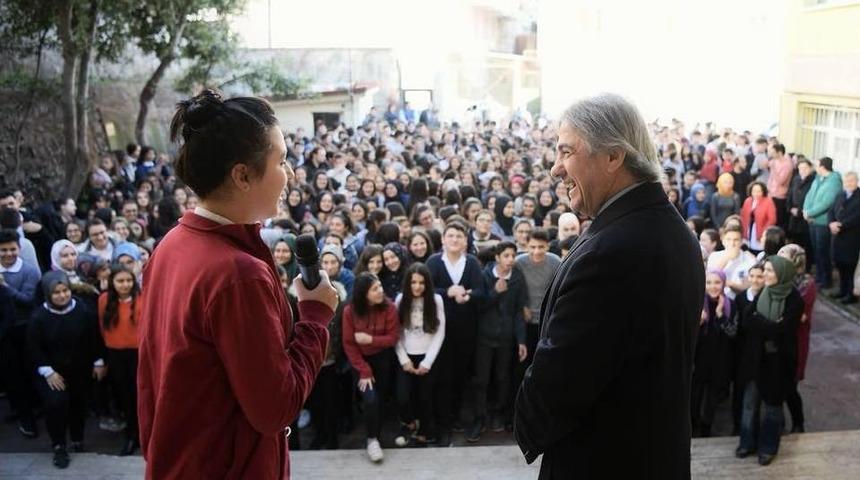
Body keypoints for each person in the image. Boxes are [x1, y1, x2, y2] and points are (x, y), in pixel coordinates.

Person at [137, 89, 338, 479]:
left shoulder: (171, 246)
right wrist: (314, 316)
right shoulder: (236, 275)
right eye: (281, 161)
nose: (291, 173)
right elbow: (275, 408)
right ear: (243, 175)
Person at [515, 94, 704, 479]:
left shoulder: (612, 252)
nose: (555, 170)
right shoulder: (669, 228)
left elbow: (557, 387)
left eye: (566, 152)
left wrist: (526, 421)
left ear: (614, 156)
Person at [28, 271, 106, 469]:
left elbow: (94, 337)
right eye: (56, 293)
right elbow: (34, 348)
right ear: (47, 294)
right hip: (53, 373)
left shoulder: (82, 310)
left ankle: (77, 439)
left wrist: (98, 361)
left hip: (79, 368)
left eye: (65, 291)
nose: (62, 296)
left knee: (79, 404)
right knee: (57, 404)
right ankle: (59, 445)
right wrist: (48, 371)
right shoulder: (38, 318)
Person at [736, 256, 803, 466]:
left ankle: (768, 447)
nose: (765, 275)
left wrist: (761, 323)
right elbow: (747, 320)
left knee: (772, 407)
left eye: (769, 271)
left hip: (778, 363)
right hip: (756, 359)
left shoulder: (794, 300)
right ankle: (747, 442)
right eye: (764, 270)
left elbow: (782, 331)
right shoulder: (763, 292)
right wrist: (769, 325)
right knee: (750, 403)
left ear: (782, 273)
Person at [426, 221, 486, 445]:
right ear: (443, 239)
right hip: (438, 331)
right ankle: (444, 422)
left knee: (461, 375)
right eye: (450, 236)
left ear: (465, 241)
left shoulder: (471, 262)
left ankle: (458, 417)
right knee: (443, 377)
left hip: (465, 331)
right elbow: (425, 290)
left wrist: (467, 295)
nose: (454, 240)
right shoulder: (433, 262)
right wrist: (447, 291)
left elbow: (482, 291)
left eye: (459, 237)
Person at [468, 241, 528, 441]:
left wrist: (521, 341)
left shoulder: (518, 278)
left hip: (506, 338)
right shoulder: (484, 275)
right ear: (497, 257)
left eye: (513, 255)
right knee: (481, 380)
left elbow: (519, 312)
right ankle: (479, 418)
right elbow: (478, 306)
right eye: (506, 256)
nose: (511, 260)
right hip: (484, 337)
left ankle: (498, 414)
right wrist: (495, 293)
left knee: (503, 378)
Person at [341, 273, 400, 463]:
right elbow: (349, 344)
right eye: (375, 289)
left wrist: (370, 339)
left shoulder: (389, 307)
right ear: (363, 294)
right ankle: (372, 440)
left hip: (383, 359)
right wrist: (363, 370)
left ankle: (377, 433)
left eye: (380, 286)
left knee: (380, 399)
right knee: (371, 398)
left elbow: (392, 338)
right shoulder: (350, 311)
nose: (381, 291)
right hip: (360, 360)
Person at [394, 264, 446, 447]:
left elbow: (440, 333)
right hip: (407, 357)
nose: (417, 286)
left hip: (428, 357)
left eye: (421, 282)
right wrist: (404, 359)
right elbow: (396, 333)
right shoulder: (400, 299)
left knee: (426, 398)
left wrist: (428, 362)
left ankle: (425, 431)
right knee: (403, 397)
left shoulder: (436, 300)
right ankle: (409, 424)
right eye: (413, 282)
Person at [0, 228, 42, 438]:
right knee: (11, 376)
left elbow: (27, 300)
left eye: (12, 249)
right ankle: (21, 410)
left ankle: (32, 414)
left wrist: (5, 287)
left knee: (28, 372)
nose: (8, 254)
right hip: (3, 334)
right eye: (3, 250)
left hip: (24, 329)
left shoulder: (29, 271)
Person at [98, 266, 143, 456]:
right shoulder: (104, 300)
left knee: (140, 395)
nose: (125, 285)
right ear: (112, 283)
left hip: (138, 354)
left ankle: (143, 434)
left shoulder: (143, 299)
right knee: (124, 397)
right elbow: (101, 329)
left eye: (128, 281)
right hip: (115, 355)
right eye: (120, 281)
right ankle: (131, 435)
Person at [692, 270, 737, 437]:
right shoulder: (696, 304)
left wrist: (720, 316)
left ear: (723, 284)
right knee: (695, 394)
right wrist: (699, 322)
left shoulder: (730, 304)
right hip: (699, 359)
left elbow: (733, 332)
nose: (713, 287)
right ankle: (693, 425)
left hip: (720, 359)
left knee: (712, 396)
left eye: (717, 282)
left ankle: (706, 428)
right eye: (709, 282)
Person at [777, 244, 816, 433]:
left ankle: (798, 423)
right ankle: (780, 422)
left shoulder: (806, 284)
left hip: (796, 340)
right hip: (781, 337)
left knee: (790, 385)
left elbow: (801, 316)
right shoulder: (778, 278)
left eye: (783, 257)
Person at [515, 228, 561, 366]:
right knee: (523, 360)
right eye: (532, 247)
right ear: (526, 246)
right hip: (525, 319)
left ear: (547, 246)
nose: (536, 251)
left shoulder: (555, 262)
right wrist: (523, 306)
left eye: (541, 247)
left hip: (547, 319)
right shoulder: (519, 263)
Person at [803, 157, 842, 288]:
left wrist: (810, 213)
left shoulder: (834, 182)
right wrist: (805, 210)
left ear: (823, 167)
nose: (815, 167)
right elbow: (809, 195)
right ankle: (819, 277)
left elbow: (827, 202)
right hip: (812, 221)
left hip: (822, 223)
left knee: (823, 251)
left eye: (817, 165)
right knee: (816, 250)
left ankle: (826, 279)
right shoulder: (818, 178)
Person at [828, 171, 860, 304]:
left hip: (851, 237)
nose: (849, 184)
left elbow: (857, 217)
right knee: (840, 265)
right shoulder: (840, 194)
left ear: (857, 181)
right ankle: (842, 290)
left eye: (852, 181)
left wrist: (840, 225)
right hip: (837, 237)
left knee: (850, 267)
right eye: (847, 181)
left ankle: (850, 294)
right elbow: (831, 211)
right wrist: (831, 223)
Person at [786, 158, 816, 263]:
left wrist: (799, 211)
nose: (802, 170)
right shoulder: (796, 178)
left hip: (805, 216)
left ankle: (807, 266)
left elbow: (812, 199)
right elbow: (790, 193)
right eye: (800, 168)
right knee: (795, 242)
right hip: (794, 216)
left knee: (807, 243)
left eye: (805, 168)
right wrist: (790, 208)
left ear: (811, 168)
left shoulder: (814, 181)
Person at [740, 182, 777, 255]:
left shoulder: (768, 201)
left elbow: (772, 219)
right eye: (754, 191)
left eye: (758, 191)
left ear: (763, 191)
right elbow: (743, 216)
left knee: (758, 251)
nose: (756, 193)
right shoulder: (748, 201)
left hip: (761, 231)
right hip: (748, 230)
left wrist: (763, 232)